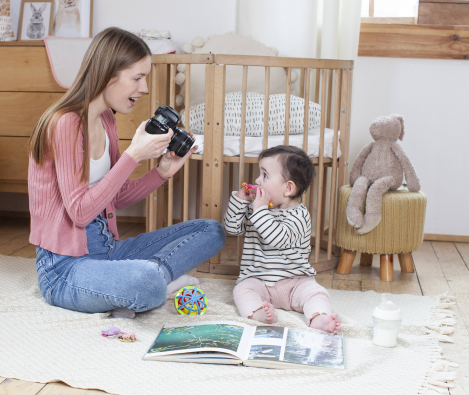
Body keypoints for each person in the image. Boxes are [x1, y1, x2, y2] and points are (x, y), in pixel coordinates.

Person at [28, 27, 226, 319]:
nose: (144, 88)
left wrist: (162, 171)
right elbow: (80, 212)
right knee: (145, 281)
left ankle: (139, 283)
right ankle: (151, 282)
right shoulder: (65, 124)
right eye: (137, 78)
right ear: (108, 76)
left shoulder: (106, 119)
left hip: (108, 251)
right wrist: (134, 155)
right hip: (65, 268)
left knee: (211, 231)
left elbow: (116, 197)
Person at [223, 145, 341, 333]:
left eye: (265, 175)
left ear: (288, 188)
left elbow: (276, 239)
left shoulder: (299, 216)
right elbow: (232, 228)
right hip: (258, 280)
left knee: (316, 292)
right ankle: (258, 313)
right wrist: (239, 201)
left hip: (294, 282)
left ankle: (319, 317)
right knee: (241, 290)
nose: (257, 180)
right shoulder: (257, 208)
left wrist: (259, 210)